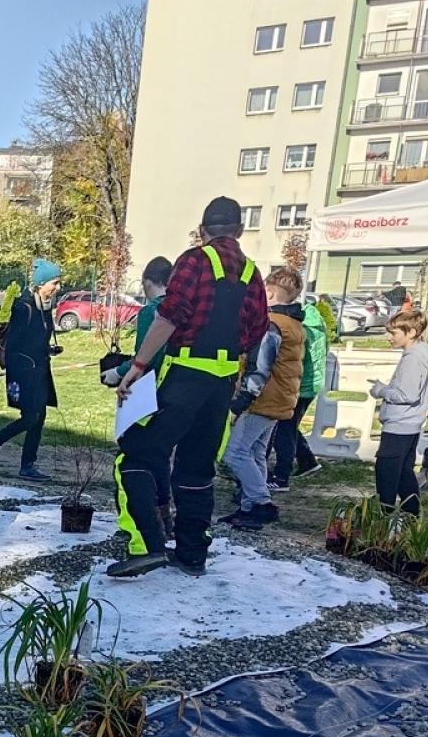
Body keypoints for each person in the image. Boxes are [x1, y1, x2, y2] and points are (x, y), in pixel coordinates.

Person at [107, 197, 269, 579]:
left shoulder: (194, 261)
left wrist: (137, 368)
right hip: (222, 384)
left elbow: (169, 317)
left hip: (183, 377)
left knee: (135, 455)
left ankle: (145, 544)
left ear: (203, 229)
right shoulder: (252, 272)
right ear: (241, 230)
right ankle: (193, 554)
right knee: (197, 469)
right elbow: (258, 329)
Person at [219, 268, 307, 530]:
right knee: (255, 453)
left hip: (262, 400)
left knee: (234, 453)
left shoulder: (272, 325)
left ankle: (261, 503)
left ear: (268, 293)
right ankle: (248, 508)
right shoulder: (295, 324)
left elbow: (262, 366)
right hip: (280, 399)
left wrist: (242, 400)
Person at [110, 258, 175, 549]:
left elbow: (146, 356)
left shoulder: (153, 312)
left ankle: (136, 528)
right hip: (175, 395)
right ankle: (165, 519)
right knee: (160, 459)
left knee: (131, 461)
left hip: (146, 396)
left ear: (148, 281)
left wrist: (119, 373)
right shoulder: (181, 309)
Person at [0, 258, 62, 480]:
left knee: (39, 417)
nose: (57, 288)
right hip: (25, 373)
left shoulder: (44, 306)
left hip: (40, 371)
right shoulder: (24, 307)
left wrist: (48, 349)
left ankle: (28, 465)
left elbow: (35, 339)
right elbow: (15, 346)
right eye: (54, 283)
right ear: (41, 284)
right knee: (31, 417)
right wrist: (26, 368)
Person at [369, 309, 428, 517]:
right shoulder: (419, 354)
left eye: (394, 333)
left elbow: (407, 394)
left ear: (412, 332)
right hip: (410, 423)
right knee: (403, 474)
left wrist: (381, 391)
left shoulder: (413, 358)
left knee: (387, 473)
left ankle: (385, 519)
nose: (389, 337)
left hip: (399, 424)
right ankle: (411, 517)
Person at [270, 295, 328, 490]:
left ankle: (281, 477)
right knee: (290, 426)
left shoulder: (300, 325)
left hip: (298, 385)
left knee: (283, 430)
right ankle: (307, 461)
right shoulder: (315, 319)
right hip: (310, 384)